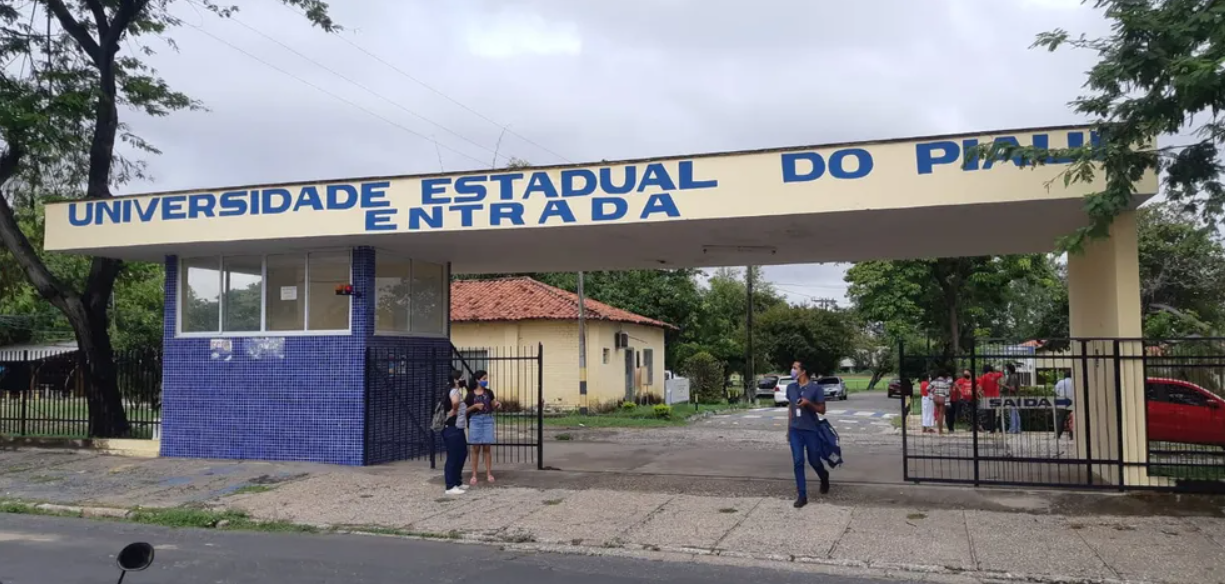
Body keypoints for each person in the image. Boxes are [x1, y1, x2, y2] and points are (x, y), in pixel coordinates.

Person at [786, 360, 829, 507]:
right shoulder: (791, 388)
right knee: (798, 461)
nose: (792, 370)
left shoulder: (815, 389)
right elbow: (791, 409)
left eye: (795, 368)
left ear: (803, 371)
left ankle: (824, 476)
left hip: (811, 429)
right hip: (795, 430)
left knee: (814, 460)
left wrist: (808, 403)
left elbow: (822, 410)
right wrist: (788, 429)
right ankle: (802, 495)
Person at [465, 370, 500, 485]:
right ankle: (474, 474)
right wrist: (474, 406)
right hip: (475, 420)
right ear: (477, 380)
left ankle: (489, 473)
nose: (486, 381)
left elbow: (493, 405)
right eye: (484, 379)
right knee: (475, 448)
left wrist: (497, 405)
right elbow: (464, 411)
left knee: (487, 448)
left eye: (486, 378)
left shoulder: (489, 392)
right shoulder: (470, 394)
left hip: (487, 420)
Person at [441, 370, 469, 495]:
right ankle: (450, 486)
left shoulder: (456, 391)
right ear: (456, 380)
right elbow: (455, 402)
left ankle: (458, 481)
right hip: (452, 428)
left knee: (462, 453)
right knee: (453, 456)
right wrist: (455, 410)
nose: (463, 379)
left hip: (459, 428)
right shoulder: (454, 391)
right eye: (461, 377)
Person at [977, 365, 1004, 433]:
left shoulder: (983, 377)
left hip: (987, 398)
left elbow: (980, 389)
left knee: (989, 414)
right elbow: (1001, 374)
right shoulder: (995, 375)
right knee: (994, 413)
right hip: (996, 397)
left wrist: (979, 394)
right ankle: (995, 428)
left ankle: (991, 429)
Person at [1054, 370, 1074, 440]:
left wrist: (1060, 394)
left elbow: (1056, 390)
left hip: (1062, 401)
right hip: (1072, 401)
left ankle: (1058, 435)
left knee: (1060, 419)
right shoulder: (1074, 382)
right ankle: (1072, 435)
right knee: (1072, 419)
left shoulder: (1061, 382)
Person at [1004, 363, 1022, 434]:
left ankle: (1013, 429)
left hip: (1013, 397)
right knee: (1016, 413)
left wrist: (1003, 385)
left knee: (1012, 413)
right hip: (1016, 397)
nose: (1005, 370)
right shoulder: (1015, 376)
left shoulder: (1012, 377)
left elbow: (1012, 388)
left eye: (1006, 368)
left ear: (1009, 369)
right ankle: (1017, 429)